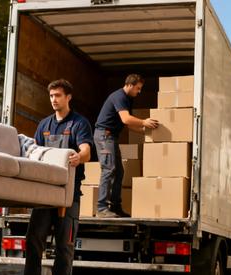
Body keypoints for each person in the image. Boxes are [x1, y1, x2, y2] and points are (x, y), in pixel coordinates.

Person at [24, 79, 93, 275]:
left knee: (65, 247)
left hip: (69, 196)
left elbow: (86, 150)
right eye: (51, 96)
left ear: (68, 97)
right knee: (34, 241)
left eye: (58, 95)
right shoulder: (44, 124)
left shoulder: (79, 123)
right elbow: (34, 152)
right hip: (44, 195)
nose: (53, 99)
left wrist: (79, 157)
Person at [93, 74, 159, 218]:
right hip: (104, 136)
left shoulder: (128, 99)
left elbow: (127, 124)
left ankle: (115, 207)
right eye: (138, 88)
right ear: (129, 85)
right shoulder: (119, 96)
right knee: (109, 169)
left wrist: (145, 131)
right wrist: (144, 122)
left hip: (111, 137)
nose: (139, 92)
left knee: (120, 172)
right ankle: (101, 208)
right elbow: (126, 118)